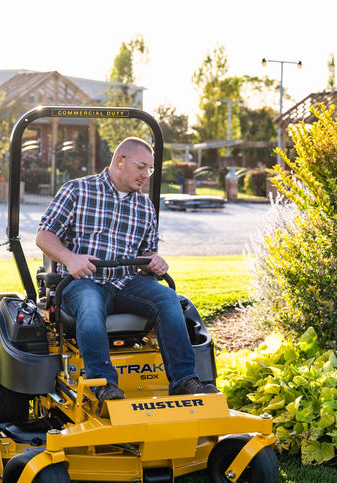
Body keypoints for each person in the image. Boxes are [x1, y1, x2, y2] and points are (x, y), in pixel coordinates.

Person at [35, 137, 218, 405]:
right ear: (120, 162)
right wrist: (70, 258)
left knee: (168, 298)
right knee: (88, 302)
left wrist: (153, 261)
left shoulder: (144, 206)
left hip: (126, 283)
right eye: (142, 167)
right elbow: (44, 235)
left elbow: (146, 253)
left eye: (150, 170)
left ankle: (183, 380)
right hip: (84, 281)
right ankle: (104, 385)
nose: (146, 175)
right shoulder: (77, 191)